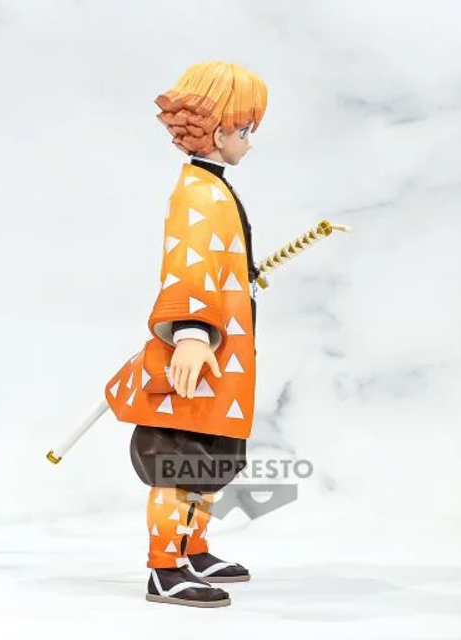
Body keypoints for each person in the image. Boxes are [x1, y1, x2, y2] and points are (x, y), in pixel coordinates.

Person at [104, 60, 268, 608]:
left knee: (209, 455)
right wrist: (193, 332)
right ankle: (164, 566)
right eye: (245, 129)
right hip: (201, 349)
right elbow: (187, 262)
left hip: (227, 351)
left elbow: (216, 262)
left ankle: (193, 548)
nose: (249, 141)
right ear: (218, 131)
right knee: (179, 460)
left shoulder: (213, 189)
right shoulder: (198, 194)